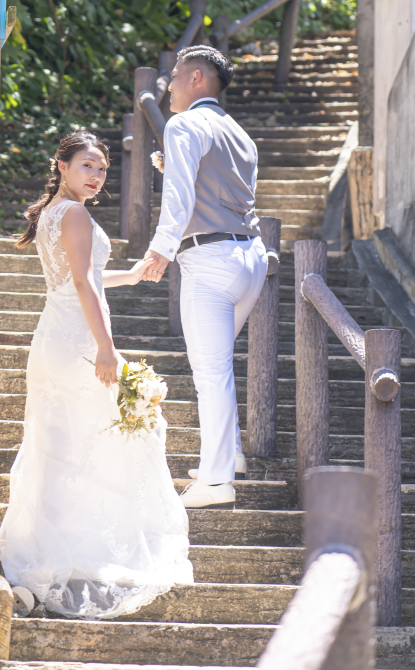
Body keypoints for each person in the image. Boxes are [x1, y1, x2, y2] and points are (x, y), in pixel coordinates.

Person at [0, 130, 193, 618]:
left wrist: (128, 276)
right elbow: (81, 282)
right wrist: (106, 348)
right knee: (101, 438)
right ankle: (74, 550)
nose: (96, 175)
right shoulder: (76, 214)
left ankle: (51, 549)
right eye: (87, 165)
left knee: (63, 442)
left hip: (56, 335)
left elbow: (76, 277)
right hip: (79, 341)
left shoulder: (52, 214)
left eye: (102, 169)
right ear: (61, 166)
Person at [142, 46, 268, 508]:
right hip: (250, 260)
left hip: (210, 260)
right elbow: (221, 186)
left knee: (210, 370)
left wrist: (160, 248)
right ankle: (229, 455)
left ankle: (215, 482)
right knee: (219, 364)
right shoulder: (240, 134)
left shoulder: (184, 124)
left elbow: (178, 195)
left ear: (197, 78)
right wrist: (169, 163)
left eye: (174, 78)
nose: (169, 87)